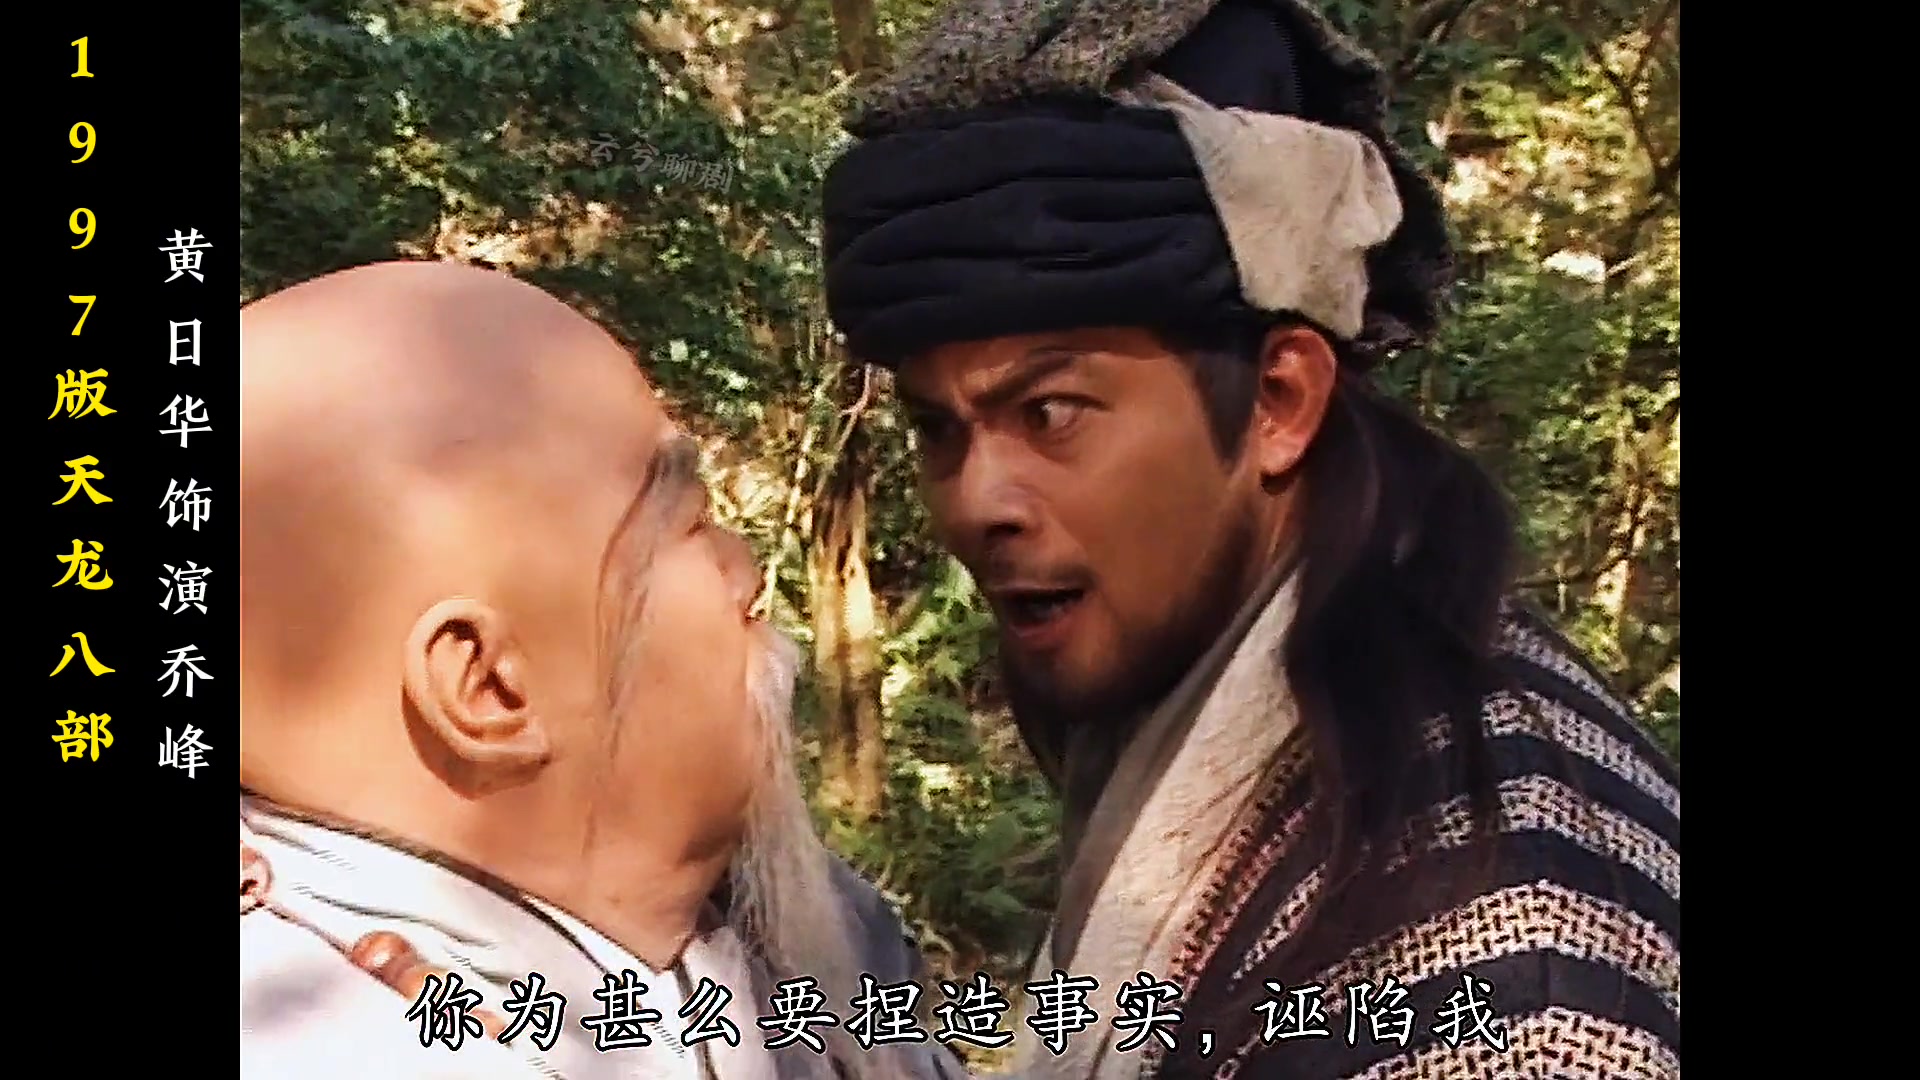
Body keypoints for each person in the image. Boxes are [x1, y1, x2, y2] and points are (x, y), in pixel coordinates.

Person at [818, 1, 1679, 1078]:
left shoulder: (1512, 980)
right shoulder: (1288, 710)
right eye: (938, 429)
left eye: (1051, 412)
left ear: (1279, 401)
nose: (975, 500)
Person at [237, 260, 968, 1080]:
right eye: (691, 525)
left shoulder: (806, 929)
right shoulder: (324, 1047)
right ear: (489, 689)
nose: (748, 572)